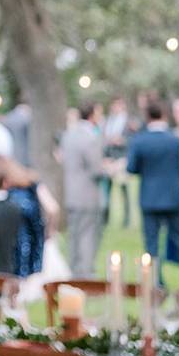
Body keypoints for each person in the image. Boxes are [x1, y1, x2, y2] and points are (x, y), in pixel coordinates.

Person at [127, 101, 179, 276]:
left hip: (149, 198)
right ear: (164, 116)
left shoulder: (140, 141)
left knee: (151, 243)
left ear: (147, 117)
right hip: (174, 197)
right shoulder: (176, 140)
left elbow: (131, 168)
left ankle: (156, 281)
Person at [60, 102, 105, 278]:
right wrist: (109, 169)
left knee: (74, 235)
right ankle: (85, 274)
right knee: (87, 235)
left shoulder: (68, 135)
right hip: (87, 194)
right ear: (92, 114)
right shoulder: (90, 138)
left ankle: (73, 269)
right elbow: (96, 169)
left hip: (71, 192)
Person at [4, 159, 50, 278]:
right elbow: (52, 208)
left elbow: (52, 208)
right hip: (34, 233)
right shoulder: (33, 186)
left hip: (19, 238)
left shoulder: (9, 193)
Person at [102, 97, 132, 227]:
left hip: (122, 158)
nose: (116, 108)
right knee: (107, 189)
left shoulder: (128, 121)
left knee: (123, 189)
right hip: (109, 158)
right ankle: (105, 218)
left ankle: (126, 218)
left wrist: (122, 140)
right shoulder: (108, 121)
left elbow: (132, 139)